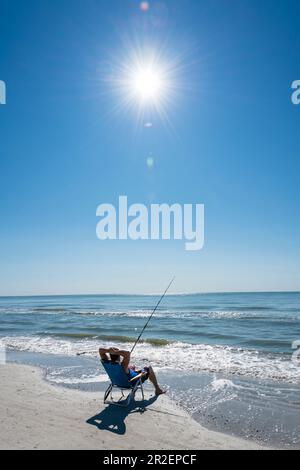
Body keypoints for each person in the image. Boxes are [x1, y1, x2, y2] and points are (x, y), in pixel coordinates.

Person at [99, 346, 165, 396]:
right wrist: (115, 352)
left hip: (116, 382)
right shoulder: (123, 366)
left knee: (131, 367)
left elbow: (100, 350)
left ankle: (132, 374)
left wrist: (109, 350)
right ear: (119, 356)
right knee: (148, 368)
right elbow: (127, 353)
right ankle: (157, 389)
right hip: (130, 382)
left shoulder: (107, 362)